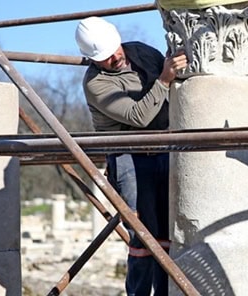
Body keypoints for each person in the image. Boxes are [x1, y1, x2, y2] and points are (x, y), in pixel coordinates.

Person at [75, 16, 187, 296]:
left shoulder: (140, 51)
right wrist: (164, 79)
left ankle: (165, 292)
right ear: (91, 59)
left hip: (163, 147)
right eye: (105, 58)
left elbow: (172, 76)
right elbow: (139, 116)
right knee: (143, 235)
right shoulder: (96, 83)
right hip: (128, 155)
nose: (114, 58)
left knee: (167, 231)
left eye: (114, 50)